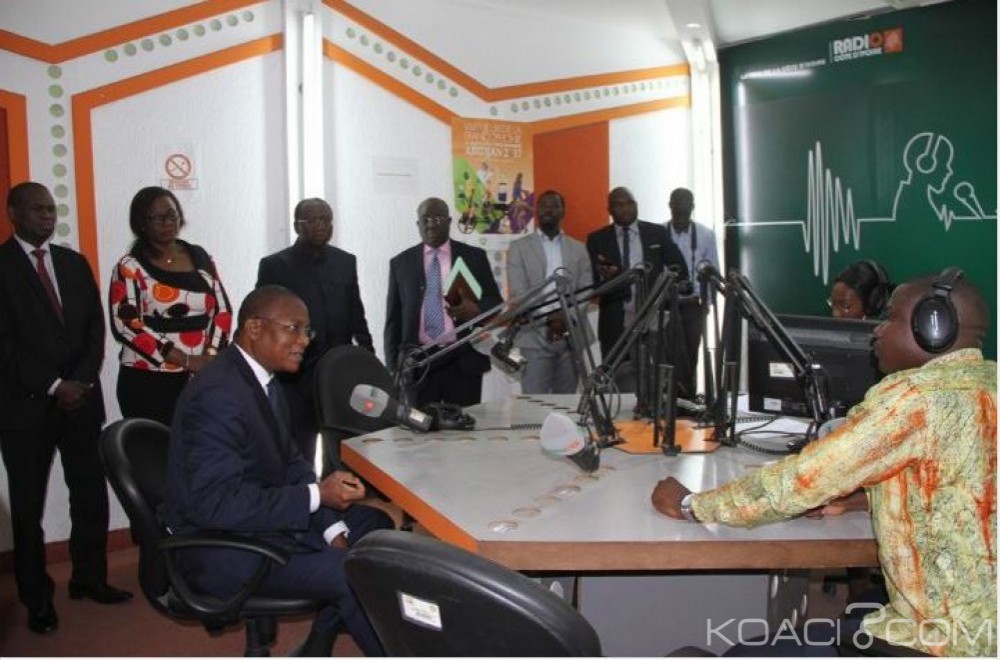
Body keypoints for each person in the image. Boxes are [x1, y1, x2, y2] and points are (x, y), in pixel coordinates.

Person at [652, 269, 996, 656]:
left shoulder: (914, 401)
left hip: (940, 644)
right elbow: (967, 487)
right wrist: (865, 500)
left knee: (731, 652)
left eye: (891, 319)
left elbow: (799, 482)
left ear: (933, 329)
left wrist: (692, 505)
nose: (877, 331)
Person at [165, 285, 393, 656]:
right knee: (353, 572)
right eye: (294, 328)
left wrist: (331, 526)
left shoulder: (263, 383)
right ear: (254, 328)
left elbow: (292, 464)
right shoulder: (218, 395)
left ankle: (318, 642)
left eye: (307, 331)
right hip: (222, 548)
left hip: (261, 522)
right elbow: (214, 504)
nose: (305, 340)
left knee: (376, 528)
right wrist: (317, 496)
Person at [0, 182, 132, 635]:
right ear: (13, 213)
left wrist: (81, 380)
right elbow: (4, 345)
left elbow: (95, 328)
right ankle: (36, 597)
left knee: (90, 493)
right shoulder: (2, 267)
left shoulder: (73, 263)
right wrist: (54, 385)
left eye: (50, 209)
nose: (47, 216)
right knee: (27, 507)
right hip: (25, 409)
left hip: (81, 402)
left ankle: (89, 578)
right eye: (36, 209)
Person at [256, 198, 374, 463]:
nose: (322, 226)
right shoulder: (275, 266)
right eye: (314, 220)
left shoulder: (345, 261)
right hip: (296, 376)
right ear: (297, 226)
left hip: (340, 374)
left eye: (327, 220)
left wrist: (368, 358)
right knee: (300, 451)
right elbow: (263, 320)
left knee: (344, 450)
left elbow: (357, 313)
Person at [108, 186, 232, 426]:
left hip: (201, 375)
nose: (167, 222)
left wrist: (209, 357)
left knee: (200, 443)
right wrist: (185, 359)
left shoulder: (200, 256)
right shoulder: (129, 266)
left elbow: (222, 310)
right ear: (142, 224)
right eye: (157, 218)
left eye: (171, 215)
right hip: (148, 380)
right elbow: (126, 323)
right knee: (156, 447)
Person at [385, 197, 503, 407]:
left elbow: (495, 302)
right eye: (425, 219)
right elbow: (393, 320)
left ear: (449, 222)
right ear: (418, 224)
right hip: (419, 362)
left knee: (463, 425)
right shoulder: (401, 263)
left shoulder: (474, 257)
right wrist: (394, 366)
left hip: (462, 360)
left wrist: (476, 309)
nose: (431, 224)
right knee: (421, 425)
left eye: (437, 218)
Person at [586, 186, 688, 391]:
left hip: (652, 317)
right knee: (616, 377)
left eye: (630, 203)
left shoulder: (656, 233)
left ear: (636, 205)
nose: (625, 208)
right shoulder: (597, 239)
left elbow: (679, 269)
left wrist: (663, 294)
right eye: (619, 204)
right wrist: (609, 277)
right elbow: (593, 283)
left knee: (658, 375)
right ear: (609, 209)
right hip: (615, 318)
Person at [506, 190, 592, 394]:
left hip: (571, 335)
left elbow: (585, 290)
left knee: (567, 402)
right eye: (544, 205)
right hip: (533, 334)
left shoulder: (579, 248)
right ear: (537, 210)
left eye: (554, 206)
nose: (548, 210)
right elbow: (519, 292)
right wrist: (548, 319)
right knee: (534, 401)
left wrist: (565, 317)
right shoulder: (519, 248)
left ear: (563, 212)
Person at [666, 187, 719, 399]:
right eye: (677, 206)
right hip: (667, 304)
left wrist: (708, 303)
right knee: (668, 354)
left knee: (691, 353)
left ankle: (687, 398)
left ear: (692, 207)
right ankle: (668, 397)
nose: (681, 211)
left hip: (693, 303)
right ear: (670, 206)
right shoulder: (660, 233)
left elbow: (713, 270)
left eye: (685, 206)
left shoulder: (706, 235)